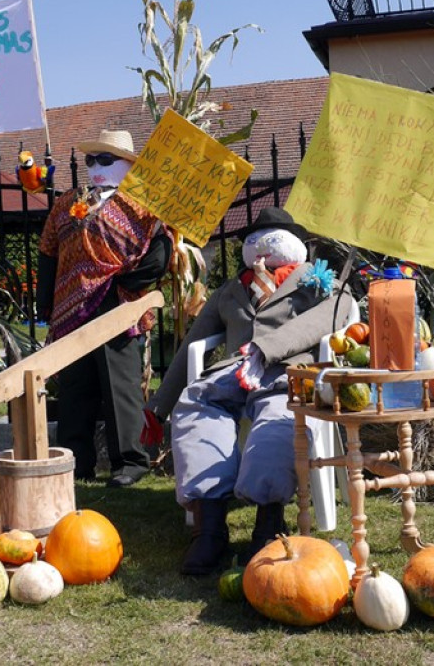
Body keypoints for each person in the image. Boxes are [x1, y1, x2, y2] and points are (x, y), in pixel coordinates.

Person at [143, 207, 357, 574]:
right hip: (232, 373)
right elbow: (195, 341)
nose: (262, 244)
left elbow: (335, 316)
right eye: (256, 237)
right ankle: (210, 527)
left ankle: (268, 524)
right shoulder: (232, 289)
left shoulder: (321, 283)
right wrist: (159, 407)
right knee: (196, 403)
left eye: (272, 235)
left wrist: (268, 348)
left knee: (279, 416)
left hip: (286, 372)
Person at [37, 129, 173, 488]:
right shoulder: (66, 203)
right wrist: (45, 298)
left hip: (118, 304)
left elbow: (160, 250)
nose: (97, 167)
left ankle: (130, 460)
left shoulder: (142, 207)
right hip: (71, 306)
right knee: (75, 386)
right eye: (91, 160)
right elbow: (48, 250)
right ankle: (73, 460)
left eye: (106, 159)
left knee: (119, 384)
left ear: (128, 164)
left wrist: (127, 283)